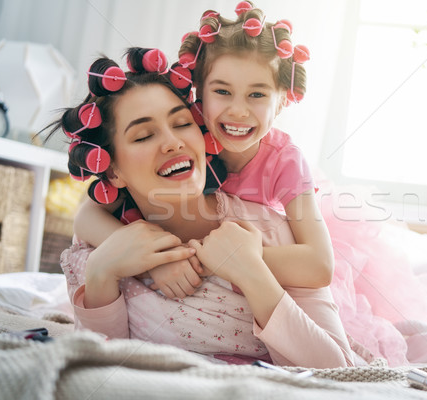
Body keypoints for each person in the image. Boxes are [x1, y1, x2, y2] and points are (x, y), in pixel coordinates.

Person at [54, 47, 355, 368]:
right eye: (143, 136)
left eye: (182, 123)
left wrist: (251, 272)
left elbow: (338, 373)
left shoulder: (272, 232)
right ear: (113, 170)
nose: (172, 142)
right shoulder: (100, 250)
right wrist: (101, 273)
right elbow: (97, 367)